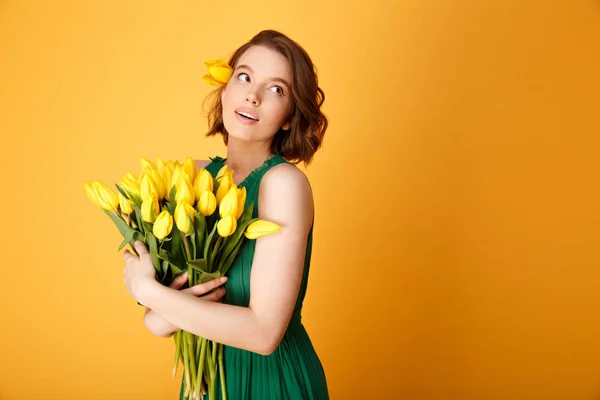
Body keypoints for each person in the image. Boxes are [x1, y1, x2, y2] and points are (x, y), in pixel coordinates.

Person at [122, 29, 329, 399]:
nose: (253, 95)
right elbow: (157, 323)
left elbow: (264, 335)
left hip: (271, 381)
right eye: (245, 77)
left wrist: (146, 289)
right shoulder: (192, 179)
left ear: (288, 118)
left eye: (276, 89)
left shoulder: (282, 184)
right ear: (226, 87)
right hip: (207, 383)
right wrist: (156, 299)